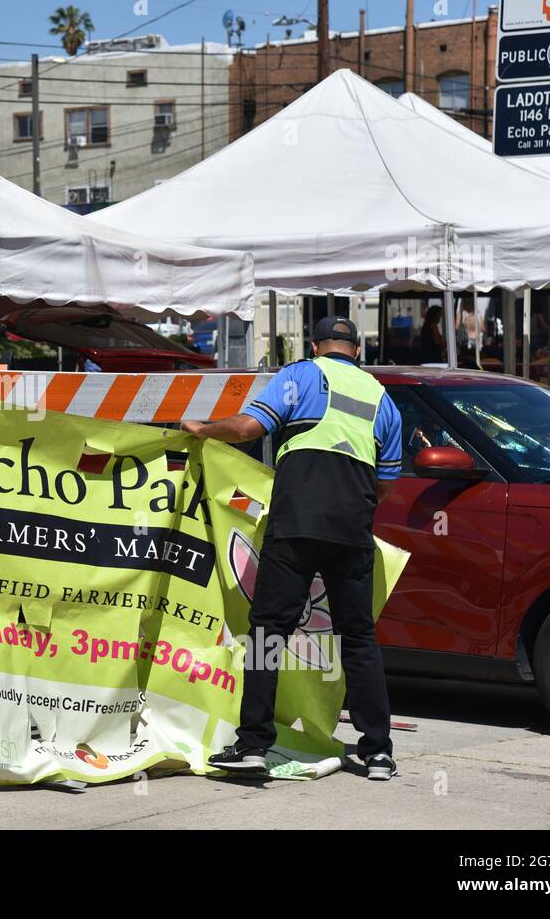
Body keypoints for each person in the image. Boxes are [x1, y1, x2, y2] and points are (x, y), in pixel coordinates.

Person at [181, 315, 403, 782]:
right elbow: (385, 485)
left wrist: (202, 430)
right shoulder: (383, 399)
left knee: (268, 633)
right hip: (352, 530)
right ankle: (378, 752)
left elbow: (246, 429)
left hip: (297, 522)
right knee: (358, 638)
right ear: (356, 352)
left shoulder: (301, 374)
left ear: (317, 346)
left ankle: (253, 745)